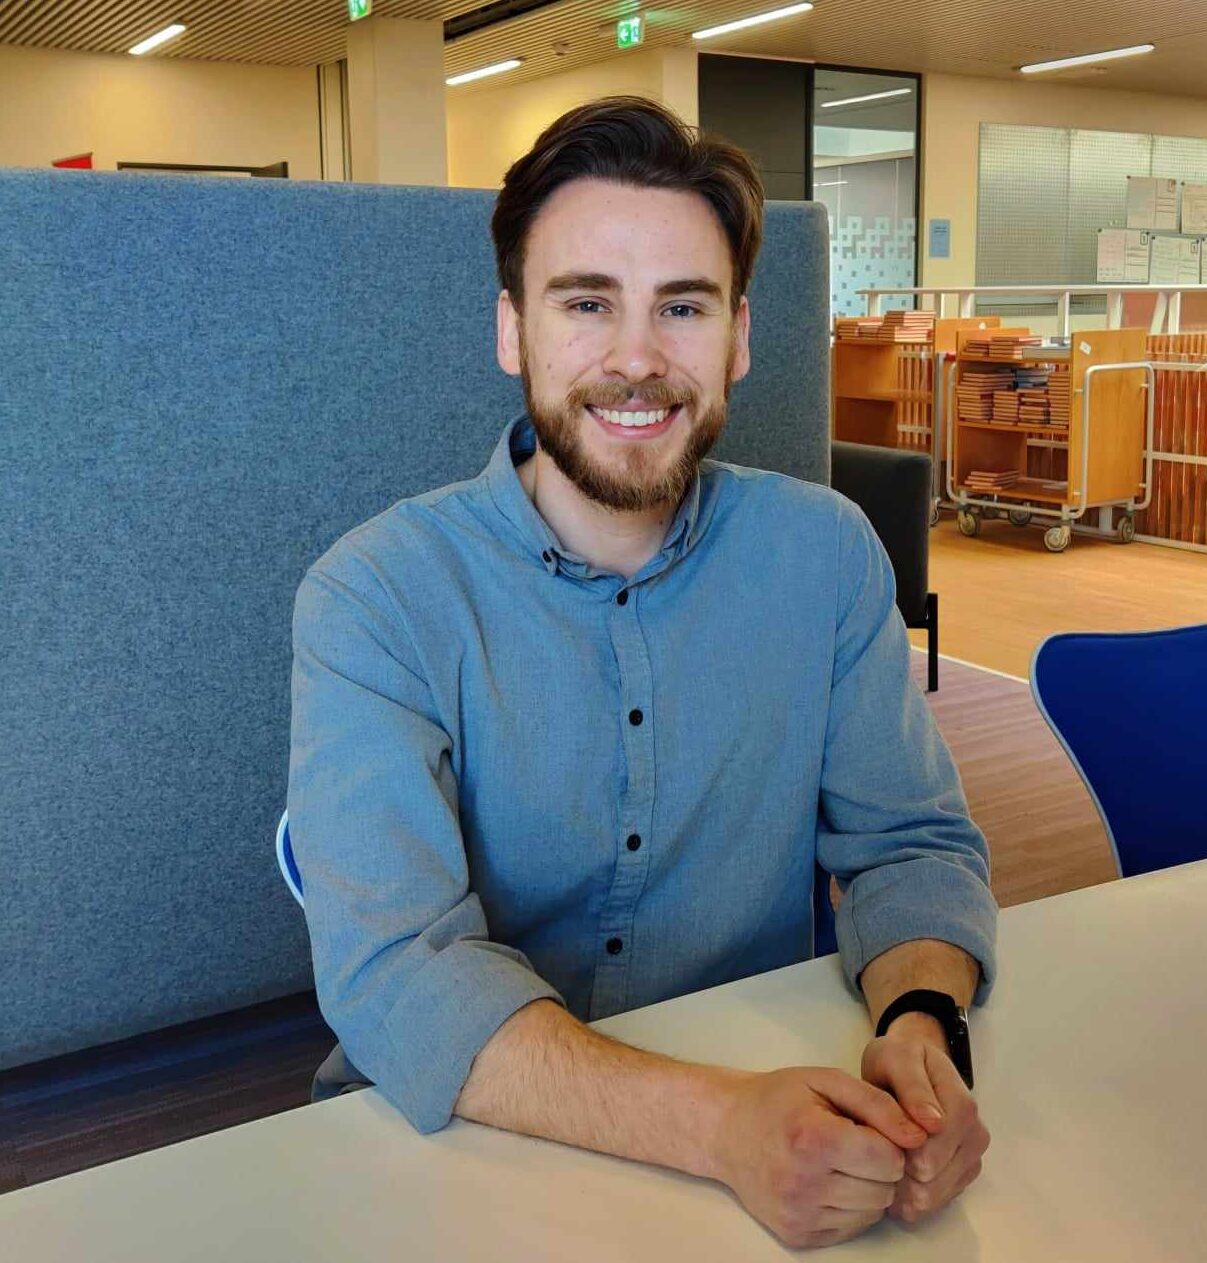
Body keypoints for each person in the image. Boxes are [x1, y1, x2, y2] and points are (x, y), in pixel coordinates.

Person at [288, 96, 995, 1250]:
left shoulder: (822, 556)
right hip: (462, 1150)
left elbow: (909, 844)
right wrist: (716, 1129)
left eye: (682, 306)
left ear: (740, 338)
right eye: (585, 303)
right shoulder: (376, 594)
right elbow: (395, 971)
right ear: (513, 330)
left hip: (774, 1130)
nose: (635, 360)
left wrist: (924, 1023)